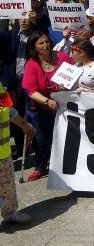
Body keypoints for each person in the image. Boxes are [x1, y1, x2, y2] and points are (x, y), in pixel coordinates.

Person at [21, 31, 73, 181]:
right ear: (34, 47)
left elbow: (74, 74)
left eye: (47, 42)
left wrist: (67, 85)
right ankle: (40, 166)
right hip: (42, 107)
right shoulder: (32, 64)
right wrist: (47, 101)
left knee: (65, 138)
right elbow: (31, 91)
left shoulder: (62, 57)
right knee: (42, 140)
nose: (45, 46)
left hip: (64, 105)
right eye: (41, 43)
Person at [0, 83, 35, 225]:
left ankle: (10, 213)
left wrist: (24, 125)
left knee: (7, 183)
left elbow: (8, 110)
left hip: (3, 151)